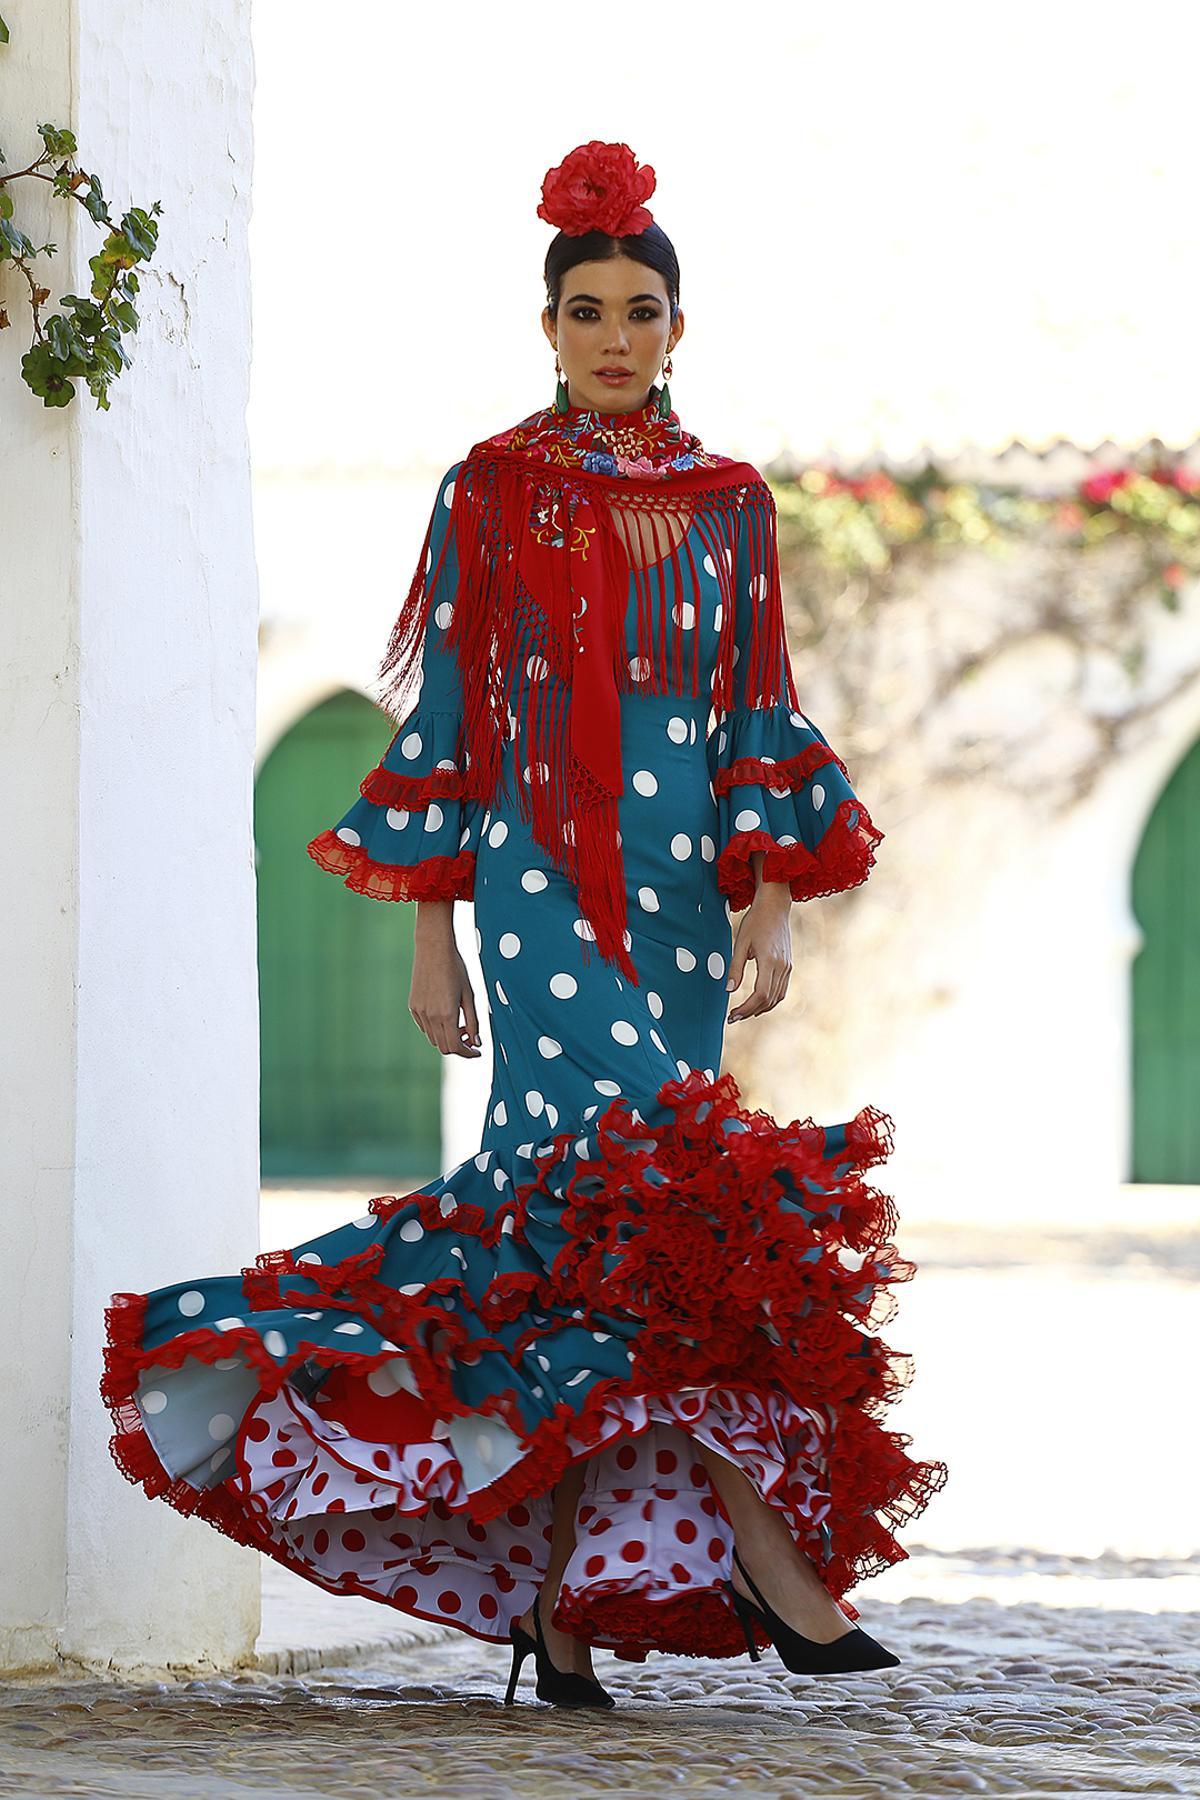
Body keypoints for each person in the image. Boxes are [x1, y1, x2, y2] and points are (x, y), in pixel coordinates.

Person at [101, 140, 948, 1709]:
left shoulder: (733, 505)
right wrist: (435, 934)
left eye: (640, 310)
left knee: (592, 1248)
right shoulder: (489, 489)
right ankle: (777, 1571)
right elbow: (448, 736)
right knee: (655, 1212)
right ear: (545, 328)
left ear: (679, 328)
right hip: (540, 895)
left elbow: (755, 712)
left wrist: (769, 902)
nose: (614, 338)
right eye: (585, 312)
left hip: (686, 908)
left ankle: (560, 1616)